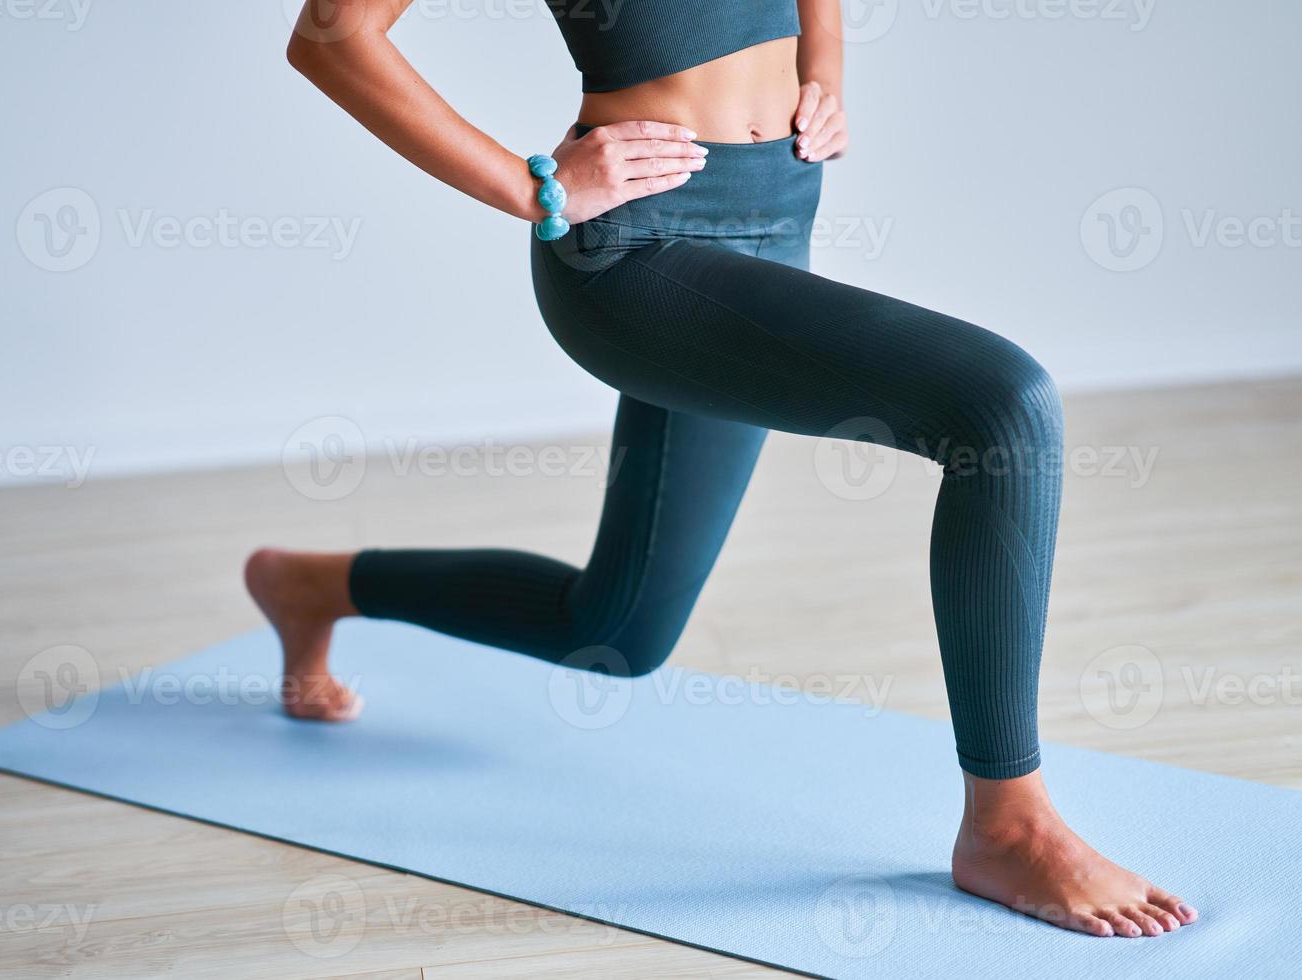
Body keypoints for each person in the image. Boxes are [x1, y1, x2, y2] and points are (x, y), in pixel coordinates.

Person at [247, 0, 1198, 939]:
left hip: (775, 216)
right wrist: (531, 186)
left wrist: (822, 64)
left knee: (616, 630)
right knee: (1002, 408)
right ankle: (1008, 824)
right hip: (640, 250)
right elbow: (331, 35)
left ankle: (310, 587)